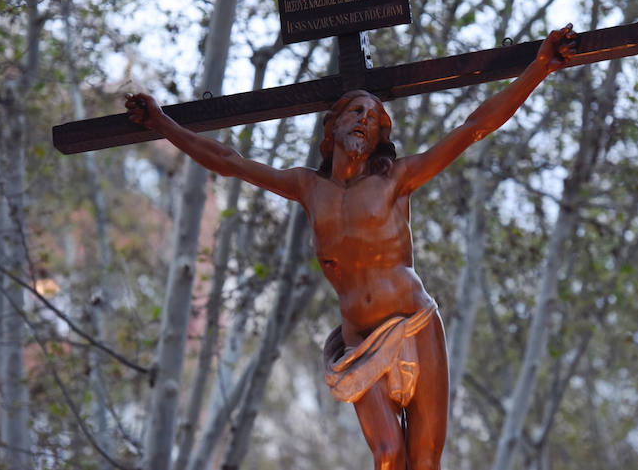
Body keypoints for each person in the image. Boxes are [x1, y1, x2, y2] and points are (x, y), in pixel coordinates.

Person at [125, 24, 577, 470]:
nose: (365, 118)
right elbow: (228, 162)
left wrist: (538, 67)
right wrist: (161, 122)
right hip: (359, 340)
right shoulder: (307, 188)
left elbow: (474, 127)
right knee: (387, 455)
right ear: (333, 125)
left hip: (415, 322)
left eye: (374, 119)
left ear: (381, 138)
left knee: (424, 461)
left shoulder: (395, 179)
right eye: (356, 111)